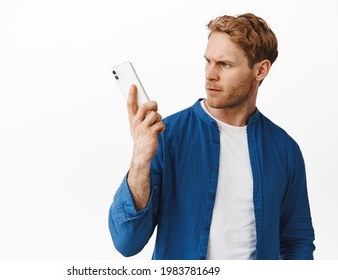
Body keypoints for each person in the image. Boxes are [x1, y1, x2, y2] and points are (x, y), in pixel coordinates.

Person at [108, 13, 315, 260]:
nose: (210, 74)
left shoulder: (284, 149)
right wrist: (140, 158)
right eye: (208, 61)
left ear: (261, 70)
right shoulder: (167, 136)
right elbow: (126, 242)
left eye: (225, 64)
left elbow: (297, 243)